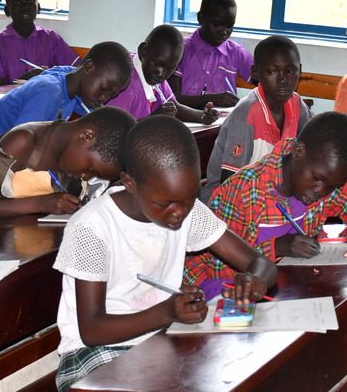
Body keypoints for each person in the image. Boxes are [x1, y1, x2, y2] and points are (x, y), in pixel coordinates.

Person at [52, 117, 277, 392]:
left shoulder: (187, 212)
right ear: (129, 183)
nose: (179, 212)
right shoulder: (92, 228)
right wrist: (166, 312)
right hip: (94, 353)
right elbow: (92, 330)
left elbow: (259, 262)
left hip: (161, 338)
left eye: (190, 197)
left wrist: (255, 279)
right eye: (165, 203)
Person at [186, 112, 347, 298]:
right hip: (213, 294)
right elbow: (218, 271)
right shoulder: (243, 191)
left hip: (283, 289)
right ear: (298, 151)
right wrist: (277, 247)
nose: (321, 191)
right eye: (317, 178)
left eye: (332, 186)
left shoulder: (328, 184)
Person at [0, 41, 132, 163]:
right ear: (88, 68)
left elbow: (92, 115)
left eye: (111, 94)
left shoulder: (71, 79)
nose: (104, 98)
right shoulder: (49, 92)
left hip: (3, 161)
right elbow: (22, 146)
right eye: (104, 88)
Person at [0, 106, 135, 225]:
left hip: (34, 237)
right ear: (86, 136)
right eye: (90, 169)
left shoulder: (72, 157)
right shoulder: (21, 143)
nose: (86, 177)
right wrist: (41, 203)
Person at [202, 35, 312, 200]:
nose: (282, 79)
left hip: (272, 193)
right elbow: (230, 186)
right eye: (272, 71)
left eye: (290, 71)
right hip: (230, 202)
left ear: (300, 71)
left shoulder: (297, 105)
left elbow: (313, 151)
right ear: (255, 72)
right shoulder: (245, 116)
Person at [106, 24, 219, 124]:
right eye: (156, 64)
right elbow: (114, 130)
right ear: (143, 51)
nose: (161, 73)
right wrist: (154, 119)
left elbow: (174, 106)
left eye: (169, 68)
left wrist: (202, 116)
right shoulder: (124, 82)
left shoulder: (154, 76)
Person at [169, 0, 253, 109]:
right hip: (186, 121)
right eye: (217, 24)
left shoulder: (236, 53)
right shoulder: (181, 49)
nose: (224, 32)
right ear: (201, 18)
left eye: (230, 26)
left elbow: (264, 80)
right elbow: (173, 99)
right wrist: (213, 99)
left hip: (224, 124)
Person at [0, 0, 78, 86]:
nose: (24, 7)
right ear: (7, 10)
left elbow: (75, 70)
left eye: (30, 1)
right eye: (17, 2)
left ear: (38, 7)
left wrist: (51, 75)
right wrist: (26, 78)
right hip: (9, 101)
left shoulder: (50, 38)